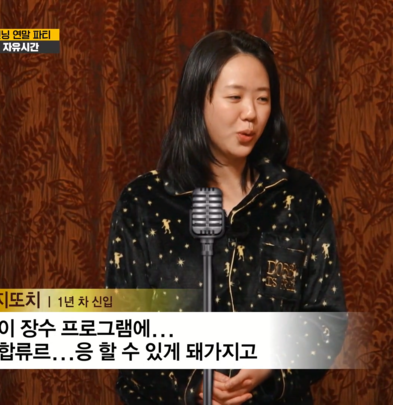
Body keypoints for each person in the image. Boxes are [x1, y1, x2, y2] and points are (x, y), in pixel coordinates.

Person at [105, 30, 346, 405]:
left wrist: (272, 362)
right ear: (198, 100)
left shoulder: (299, 198)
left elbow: (326, 320)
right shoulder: (145, 202)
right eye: (235, 97)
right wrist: (193, 386)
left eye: (262, 99)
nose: (250, 113)